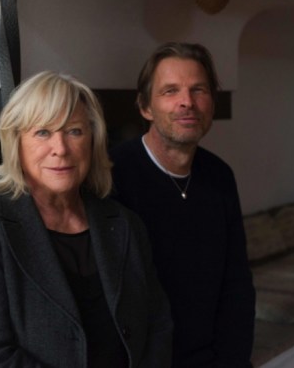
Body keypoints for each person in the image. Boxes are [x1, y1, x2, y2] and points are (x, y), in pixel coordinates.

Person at [0, 71, 172, 367]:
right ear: (16, 143)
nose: (61, 149)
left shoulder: (125, 224)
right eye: (43, 132)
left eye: (74, 131)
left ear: (92, 140)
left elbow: (157, 326)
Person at [110, 42, 256, 367]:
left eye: (198, 90)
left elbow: (237, 285)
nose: (187, 102)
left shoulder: (220, 176)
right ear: (145, 107)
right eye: (170, 91)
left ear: (212, 103)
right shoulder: (111, 177)